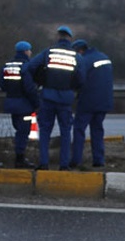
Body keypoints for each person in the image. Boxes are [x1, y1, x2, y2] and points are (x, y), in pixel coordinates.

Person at [23, 25, 84, 170]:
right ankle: (64, 165)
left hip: (48, 96)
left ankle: (44, 163)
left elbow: (29, 68)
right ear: (69, 38)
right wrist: (72, 88)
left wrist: (39, 81)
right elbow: (81, 79)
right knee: (65, 131)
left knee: (44, 131)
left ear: (58, 37)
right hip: (65, 99)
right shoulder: (76, 57)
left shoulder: (48, 53)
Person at [70, 39, 113, 168]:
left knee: (79, 130)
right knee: (97, 130)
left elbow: (78, 79)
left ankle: (76, 160)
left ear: (80, 51)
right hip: (105, 101)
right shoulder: (104, 57)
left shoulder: (83, 60)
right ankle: (99, 160)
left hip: (88, 101)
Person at [0, 41, 39, 168]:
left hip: (11, 103)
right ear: (26, 51)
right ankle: (20, 159)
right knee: (23, 131)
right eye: (29, 50)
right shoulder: (27, 66)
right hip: (24, 105)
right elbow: (29, 88)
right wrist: (37, 103)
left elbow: (2, 85)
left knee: (18, 129)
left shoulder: (7, 66)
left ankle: (19, 156)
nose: (31, 53)